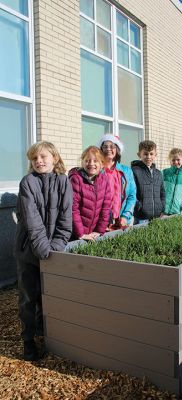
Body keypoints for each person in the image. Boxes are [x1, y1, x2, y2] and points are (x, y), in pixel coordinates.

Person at [15, 141, 72, 361]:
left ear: (54, 158)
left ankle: (46, 332)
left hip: (52, 253)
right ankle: (28, 340)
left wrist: (55, 248)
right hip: (28, 252)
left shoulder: (64, 182)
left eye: (43, 157)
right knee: (28, 297)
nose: (39, 161)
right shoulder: (27, 182)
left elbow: (65, 221)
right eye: (34, 158)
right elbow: (32, 222)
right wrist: (45, 252)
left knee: (49, 296)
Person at [68, 146, 111, 245]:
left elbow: (106, 208)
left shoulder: (104, 180)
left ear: (101, 164)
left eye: (95, 161)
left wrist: (99, 230)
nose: (91, 163)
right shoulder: (76, 179)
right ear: (82, 162)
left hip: (94, 233)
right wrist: (81, 234)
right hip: (76, 233)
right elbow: (73, 208)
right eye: (87, 160)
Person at [99, 133, 136, 229]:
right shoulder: (97, 171)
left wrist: (125, 216)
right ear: (101, 150)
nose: (108, 149)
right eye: (105, 146)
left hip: (123, 221)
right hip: (102, 223)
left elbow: (132, 196)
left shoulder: (127, 171)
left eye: (112, 146)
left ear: (117, 150)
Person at [131, 140, 165, 223]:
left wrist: (162, 207)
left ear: (155, 155)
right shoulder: (134, 171)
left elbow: (162, 193)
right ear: (139, 155)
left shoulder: (158, 173)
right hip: (141, 217)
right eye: (145, 154)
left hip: (157, 216)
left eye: (151, 154)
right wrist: (139, 207)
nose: (148, 157)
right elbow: (132, 192)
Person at [162, 147, 182, 215]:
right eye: (173, 160)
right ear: (170, 160)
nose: (176, 162)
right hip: (162, 212)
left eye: (178, 160)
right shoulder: (164, 173)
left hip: (178, 213)